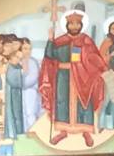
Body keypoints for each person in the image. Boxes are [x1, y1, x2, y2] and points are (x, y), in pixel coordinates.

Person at [38, 8, 106, 147]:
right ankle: (63, 131)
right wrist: (50, 39)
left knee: (84, 102)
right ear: (67, 25)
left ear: (81, 25)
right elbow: (49, 56)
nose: (74, 26)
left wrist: (90, 63)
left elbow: (94, 57)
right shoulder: (60, 41)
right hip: (62, 76)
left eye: (77, 24)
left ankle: (86, 131)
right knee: (62, 102)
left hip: (82, 77)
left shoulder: (86, 40)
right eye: (71, 24)